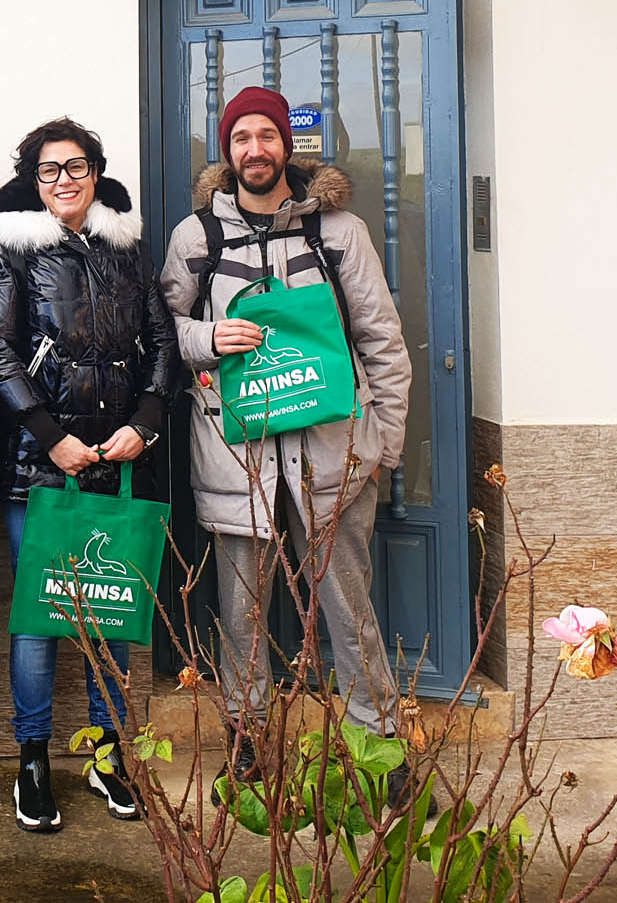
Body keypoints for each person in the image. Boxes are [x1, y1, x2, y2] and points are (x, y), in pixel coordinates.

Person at [157, 86, 413, 802]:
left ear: (285, 147)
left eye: (267, 136)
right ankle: (247, 744)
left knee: (348, 605)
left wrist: (383, 447)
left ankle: (379, 742)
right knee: (239, 614)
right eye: (242, 138)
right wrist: (208, 338)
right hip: (237, 461)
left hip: (335, 458)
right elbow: (164, 334)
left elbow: (383, 340)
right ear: (227, 149)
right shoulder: (195, 239)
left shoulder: (339, 233)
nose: (255, 150)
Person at [0, 117, 180, 832]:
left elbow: (160, 343)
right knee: (39, 622)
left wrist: (146, 421)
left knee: (111, 612)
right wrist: (48, 436)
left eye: (76, 166)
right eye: (49, 169)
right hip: (41, 468)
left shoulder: (126, 248)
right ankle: (31, 759)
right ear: (33, 180)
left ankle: (107, 753)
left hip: (118, 463)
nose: (64, 180)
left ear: (97, 172)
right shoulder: (13, 253)